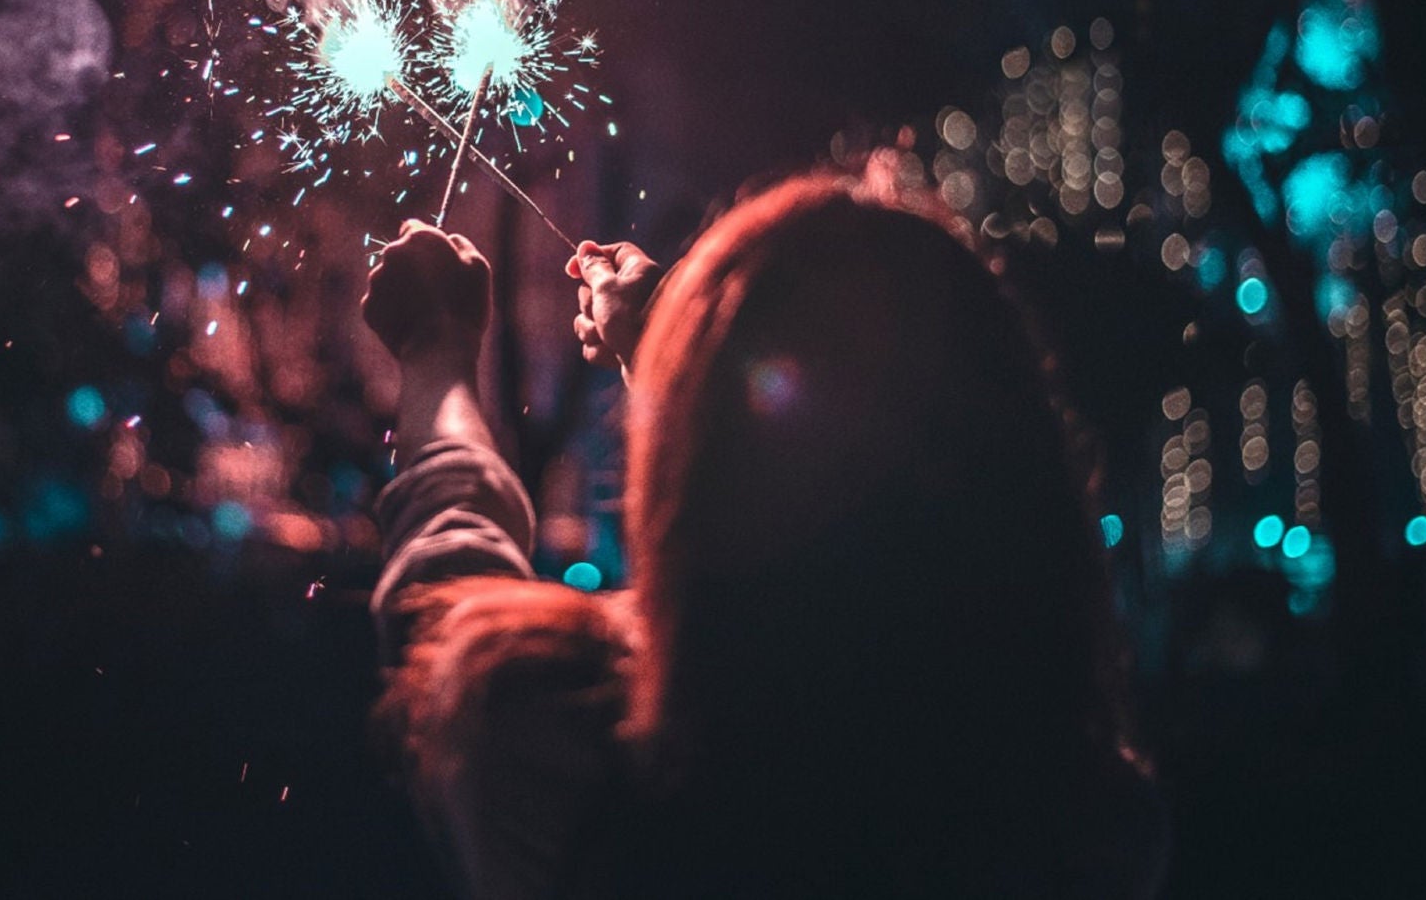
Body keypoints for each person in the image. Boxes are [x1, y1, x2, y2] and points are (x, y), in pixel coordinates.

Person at [365, 172, 1165, 898]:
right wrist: (675, 352)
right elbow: (836, 480)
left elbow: (445, 608)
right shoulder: (1091, 819)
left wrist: (435, 352)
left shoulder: (585, 758)